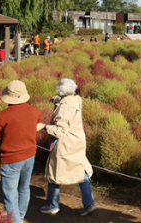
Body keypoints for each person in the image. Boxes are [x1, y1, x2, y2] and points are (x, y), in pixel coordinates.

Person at [38, 79, 96, 216]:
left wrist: (44, 127)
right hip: (78, 141)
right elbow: (67, 102)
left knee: (54, 172)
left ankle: (52, 206)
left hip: (66, 144)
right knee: (80, 170)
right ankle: (89, 204)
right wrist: (57, 100)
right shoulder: (77, 99)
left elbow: (60, 131)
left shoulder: (64, 108)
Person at [0, 80, 41, 223]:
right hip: (30, 156)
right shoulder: (34, 110)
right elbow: (36, 124)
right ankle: (20, 217)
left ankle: (15, 220)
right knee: (24, 189)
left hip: (10, 160)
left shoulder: (2, 115)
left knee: (10, 195)